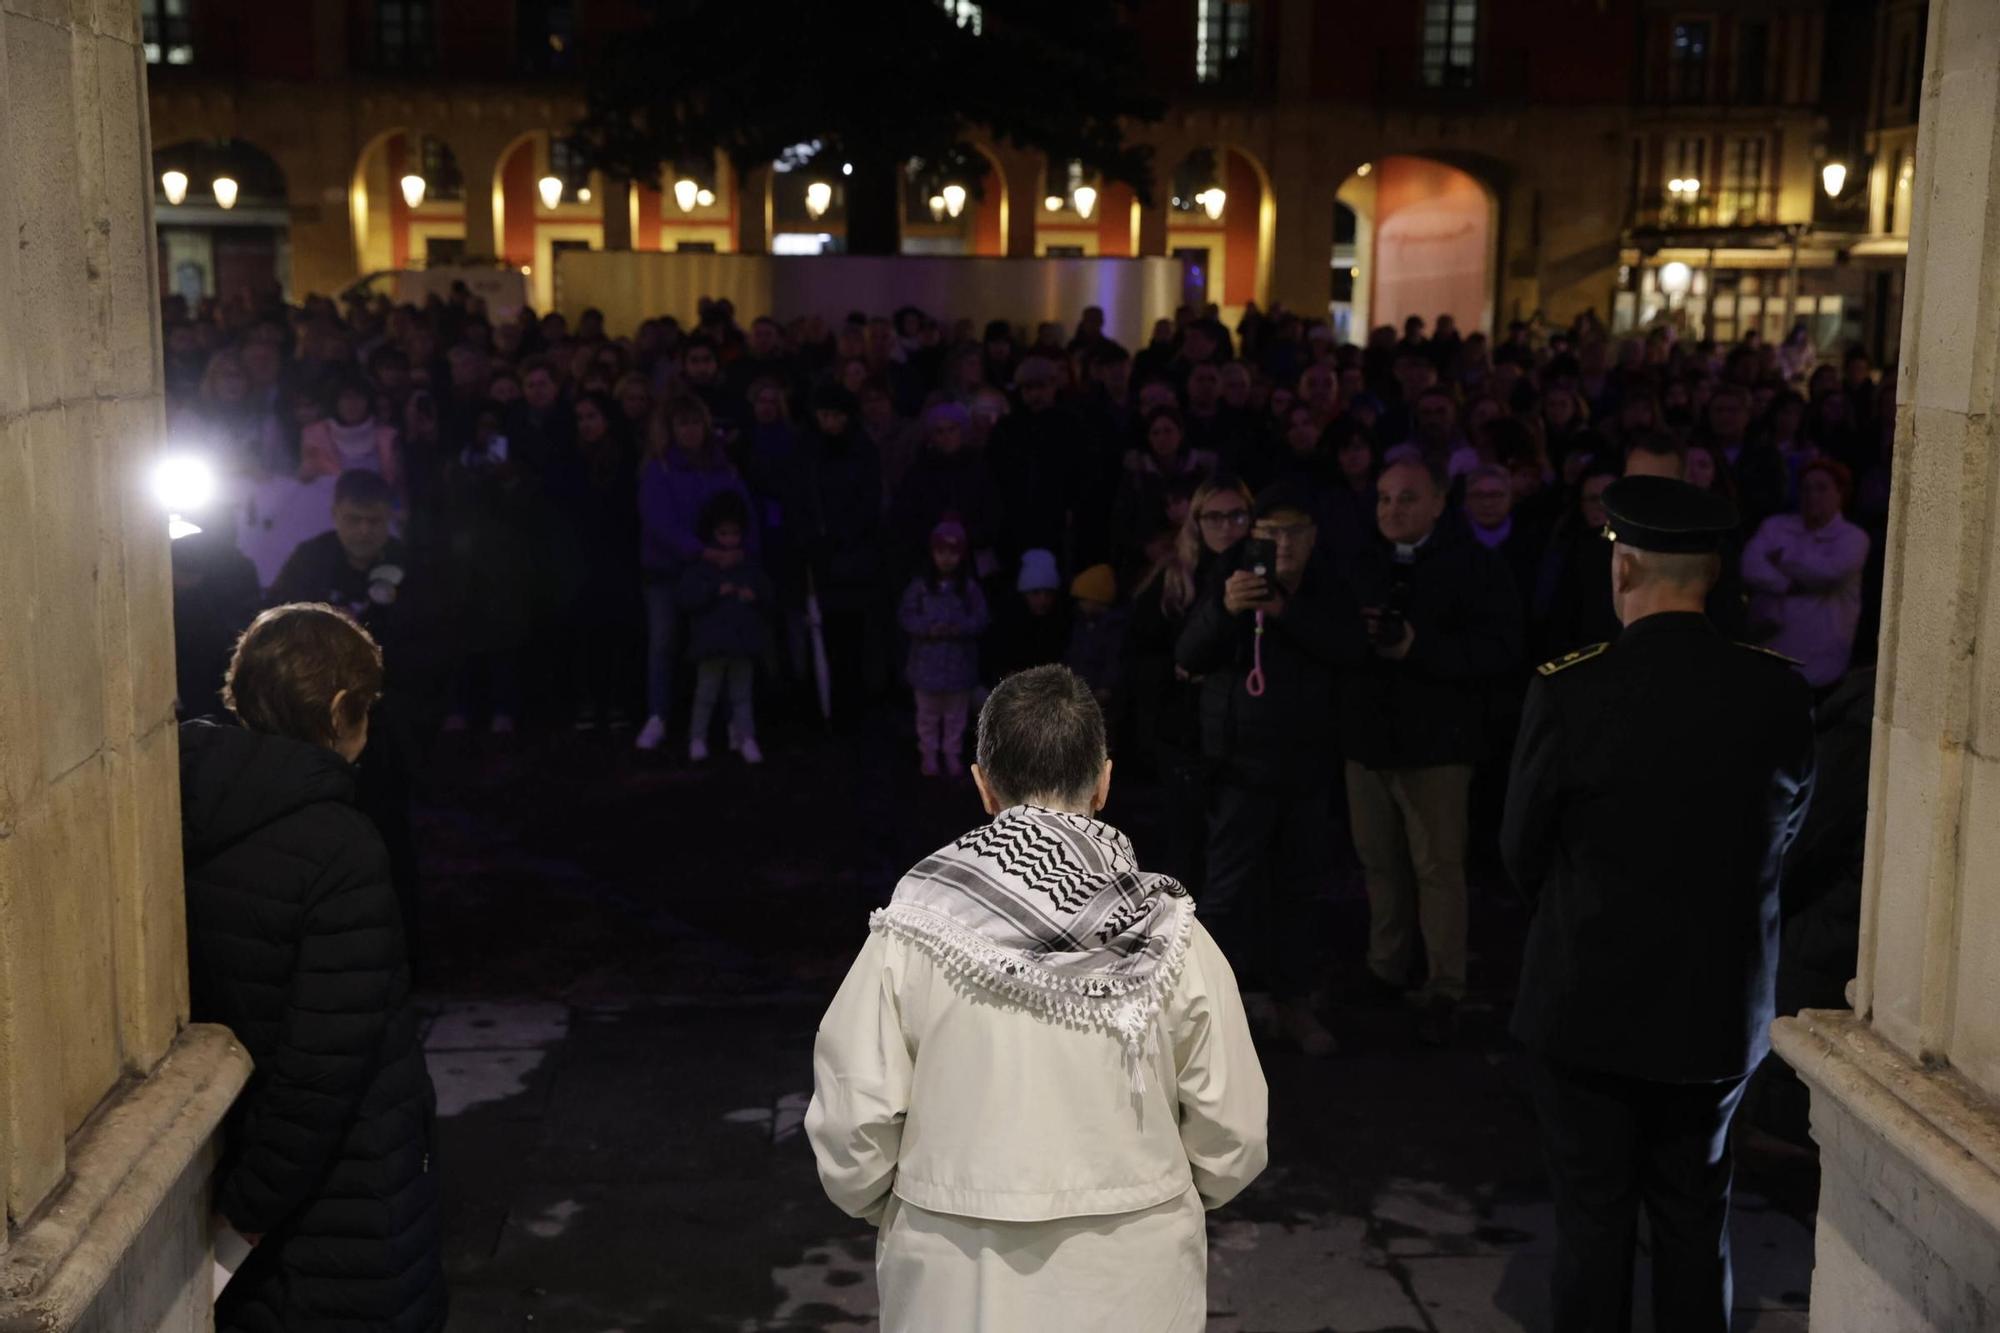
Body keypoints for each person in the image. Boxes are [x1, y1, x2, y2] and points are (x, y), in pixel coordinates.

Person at [805, 665, 1268, 1332]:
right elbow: (1235, 1137)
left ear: (983, 786)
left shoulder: (912, 927)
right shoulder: (1172, 935)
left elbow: (853, 1131)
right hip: (1133, 1281)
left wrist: (920, 1203)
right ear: (1104, 780)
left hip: (955, 1276)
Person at [1503, 475, 1815, 1333]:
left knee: (1593, 1223)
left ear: (1624, 567)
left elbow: (1520, 849)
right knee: (1695, 1221)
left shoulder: (1571, 688)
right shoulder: (1777, 690)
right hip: (1714, 1010)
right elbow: (1787, 831)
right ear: (1710, 575)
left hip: (1587, 1002)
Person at [179, 605, 445, 1333]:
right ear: (338, 712)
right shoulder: (338, 847)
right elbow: (324, 1062)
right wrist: (253, 1208)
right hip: (342, 1204)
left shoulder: (188, 807)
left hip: (248, 1170)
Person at [1340, 456, 1523, 1043]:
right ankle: (1385, 966)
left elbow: (1498, 650)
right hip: (1370, 741)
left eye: (1408, 499)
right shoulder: (1358, 565)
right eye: (1385, 499)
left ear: (1440, 503)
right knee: (1379, 861)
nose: (1393, 510)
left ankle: (1446, 982)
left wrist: (1420, 647)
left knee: (1437, 866)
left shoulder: (1476, 567)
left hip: (1437, 743)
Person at [1176, 482, 1363, 1055]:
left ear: (1311, 537)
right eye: (1270, 532)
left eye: (1293, 531)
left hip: (1306, 767)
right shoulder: (1229, 579)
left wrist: (1286, 614)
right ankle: (1205, 1014)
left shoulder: (1330, 586)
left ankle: (1293, 1003)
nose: (1281, 543)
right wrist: (1226, 611)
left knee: (1299, 891)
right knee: (1227, 895)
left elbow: (1350, 648)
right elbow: (1188, 655)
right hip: (1238, 769)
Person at [1127, 478, 1254, 892]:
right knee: (1187, 844)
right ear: (1196, 521)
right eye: (1213, 516)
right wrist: (1178, 670)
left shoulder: (1263, 574)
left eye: (1236, 515)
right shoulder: (1172, 579)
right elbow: (1137, 654)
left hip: (1243, 732)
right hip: (1184, 732)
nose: (1226, 527)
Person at [637, 394, 751, 752]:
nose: (689, 430)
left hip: (714, 569)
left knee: (720, 644)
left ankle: (730, 720)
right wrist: (700, 550)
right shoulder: (659, 469)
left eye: (695, 423)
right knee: (663, 643)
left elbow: (744, 512)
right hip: (669, 571)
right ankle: (659, 715)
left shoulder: (723, 469)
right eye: (682, 423)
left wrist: (742, 552)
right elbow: (658, 521)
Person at [1740, 458, 1870, 691]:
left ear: (1841, 493)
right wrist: (1785, 585)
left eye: (1821, 488)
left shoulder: (1853, 538)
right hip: (1772, 650)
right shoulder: (1776, 526)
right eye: (1806, 488)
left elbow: (1830, 573)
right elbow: (1750, 565)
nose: (1812, 495)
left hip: (1822, 662)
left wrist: (1783, 558)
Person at [677, 490, 771, 764]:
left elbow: (767, 591)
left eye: (734, 533)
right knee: (706, 693)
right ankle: (697, 738)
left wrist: (755, 595)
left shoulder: (749, 567)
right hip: (713, 643)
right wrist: (714, 591)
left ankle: (746, 738)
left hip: (741, 642)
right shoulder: (701, 568)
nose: (730, 540)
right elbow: (686, 597)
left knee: (741, 694)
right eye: (723, 533)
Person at [898, 519, 990, 778]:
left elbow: (981, 619)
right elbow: (905, 616)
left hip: (958, 669)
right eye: (941, 552)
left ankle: (951, 753)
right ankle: (928, 754)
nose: (947, 559)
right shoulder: (920, 587)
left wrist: (958, 627)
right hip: (925, 668)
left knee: (955, 718)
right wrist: (928, 628)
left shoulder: (969, 589)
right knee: (927, 716)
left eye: (953, 553)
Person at [990, 548, 1071, 678]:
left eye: (1048, 593)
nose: (1043, 600)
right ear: (1024, 594)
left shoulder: (1062, 624)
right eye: (1035, 593)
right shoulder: (1008, 624)